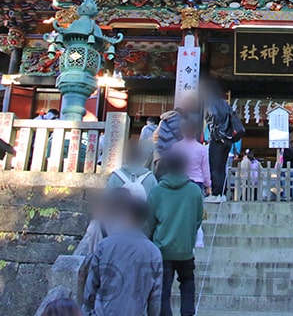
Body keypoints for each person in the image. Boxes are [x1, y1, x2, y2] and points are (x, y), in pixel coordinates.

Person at [84, 188, 163, 316]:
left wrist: (87, 310)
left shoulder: (105, 245)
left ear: (126, 215)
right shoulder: (154, 252)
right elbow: (155, 295)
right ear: (144, 220)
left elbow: (91, 285)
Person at [146, 151, 204, 316]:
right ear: (184, 166)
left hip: (162, 248)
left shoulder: (156, 191)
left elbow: (149, 221)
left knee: (164, 289)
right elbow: (198, 219)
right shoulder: (194, 191)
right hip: (185, 248)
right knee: (187, 282)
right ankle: (188, 312)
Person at [202, 81, 234, 201]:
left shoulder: (210, 102)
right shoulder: (225, 104)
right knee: (221, 167)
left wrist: (217, 132)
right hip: (227, 139)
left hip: (217, 139)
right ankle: (222, 194)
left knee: (215, 167)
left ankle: (215, 194)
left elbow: (213, 115)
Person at [173, 118, 212, 197]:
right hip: (197, 181)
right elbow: (205, 168)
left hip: (179, 181)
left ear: (183, 131)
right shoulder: (202, 149)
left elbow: (172, 167)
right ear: (196, 131)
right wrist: (208, 184)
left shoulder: (176, 147)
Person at [152, 108, 185, 178]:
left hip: (160, 155)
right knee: (172, 178)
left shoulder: (163, 121)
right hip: (172, 156)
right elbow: (181, 137)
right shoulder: (179, 121)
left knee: (159, 179)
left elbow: (155, 136)